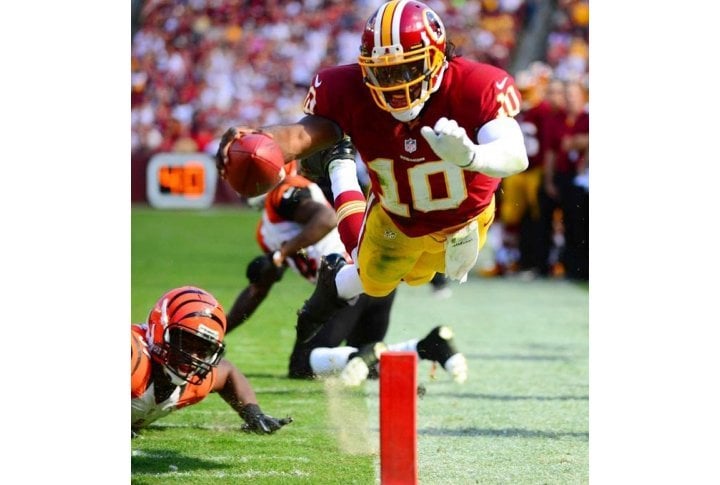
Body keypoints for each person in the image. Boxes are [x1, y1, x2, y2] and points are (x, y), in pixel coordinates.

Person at [216, 0, 529, 344]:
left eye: (407, 69)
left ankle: (336, 265)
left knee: (449, 266)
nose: (394, 83)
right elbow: (298, 136)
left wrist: (472, 156)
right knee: (373, 279)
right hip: (395, 218)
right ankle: (338, 193)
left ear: (438, 58)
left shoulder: (475, 84)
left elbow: (515, 155)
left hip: (464, 219)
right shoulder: (348, 89)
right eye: (383, 71)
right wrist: (257, 142)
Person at [225, 141, 467, 385]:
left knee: (302, 363)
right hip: (374, 279)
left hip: (344, 282)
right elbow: (259, 288)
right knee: (364, 363)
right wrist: (221, 330)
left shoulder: (286, 191)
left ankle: (375, 354)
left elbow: (326, 218)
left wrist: (281, 254)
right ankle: (430, 346)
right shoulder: (268, 227)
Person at [131, 286, 293, 437]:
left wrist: (253, 414)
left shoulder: (193, 381)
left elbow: (228, 372)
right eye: (185, 343)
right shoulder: (135, 357)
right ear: (159, 330)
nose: (193, 356)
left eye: (203, 350)